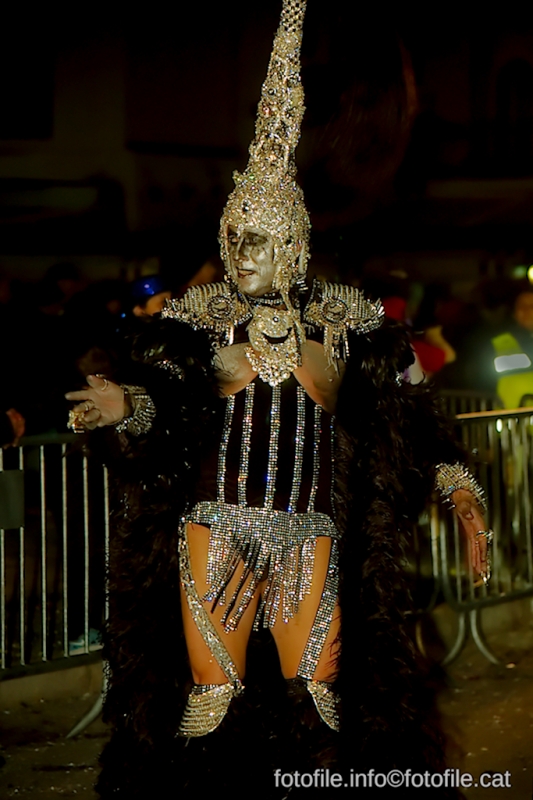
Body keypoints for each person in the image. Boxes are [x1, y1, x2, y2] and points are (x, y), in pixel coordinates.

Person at [66, 2, 490, 796]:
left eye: (261, 238)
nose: (245, 254)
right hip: (213, 533)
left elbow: (407, 423)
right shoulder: (198, 322)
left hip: (315, 539)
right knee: (211, 707)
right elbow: (167, 405)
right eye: (236, 237)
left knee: (323, 707)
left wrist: (457, 486)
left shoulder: (350, 326)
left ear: (294, 240)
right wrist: (128, 408)